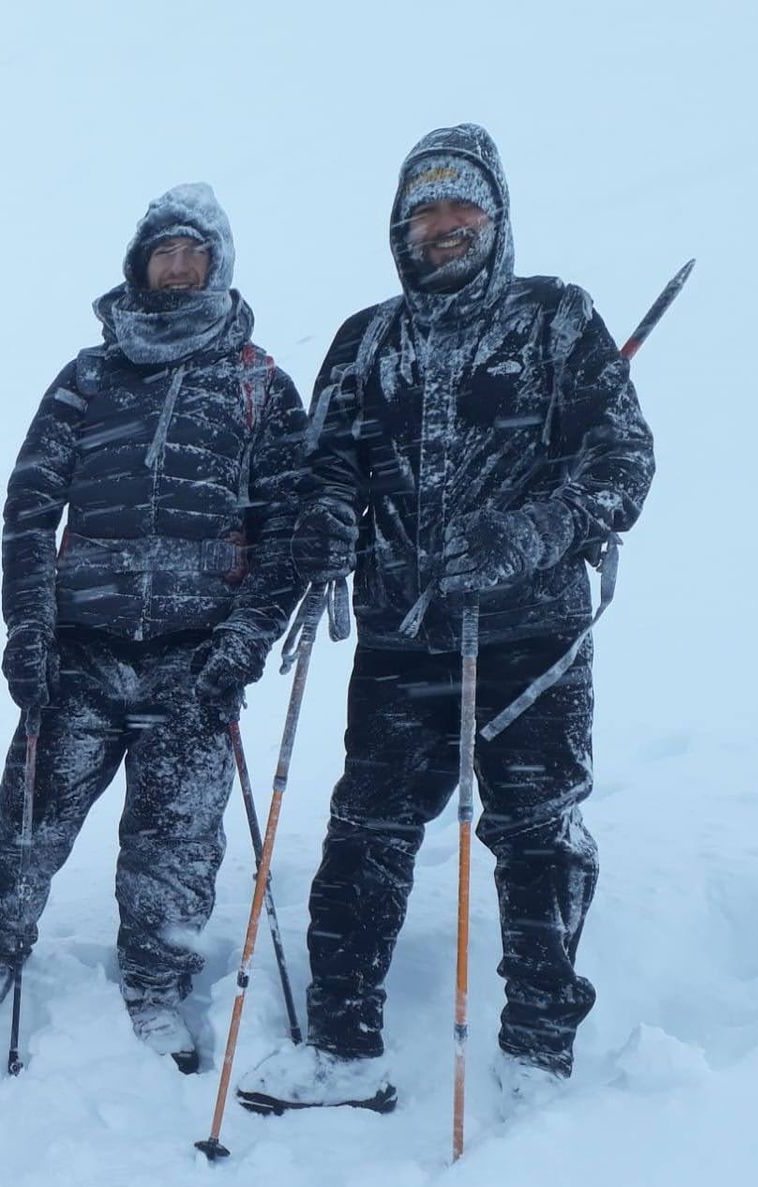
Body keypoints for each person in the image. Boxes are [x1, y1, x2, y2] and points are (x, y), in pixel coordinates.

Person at [235, 125, 655, 1117]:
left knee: (539, 838)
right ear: (401, 225)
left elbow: (623, 466)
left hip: (533, 638)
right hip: (398, 639)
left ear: (495, 214)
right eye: (426, 210)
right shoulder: (365, 339)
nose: (445, 224)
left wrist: (528, 534)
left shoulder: (558, 319)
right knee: (365, 836)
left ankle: (539, 1051)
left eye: (462, 205)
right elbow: (321, 470)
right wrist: (325, 523)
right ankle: (344, 1049)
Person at [0, 183, 307, 1070]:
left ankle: (158, 981)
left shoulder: (259, 384)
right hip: (81, 653)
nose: (177, 268)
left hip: (196, 659)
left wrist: (244, 642)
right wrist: (28, 629)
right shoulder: (89, 375)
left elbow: (290, 528)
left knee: (176, 839)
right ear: (138, 265)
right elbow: (30, 507)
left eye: (194, 253)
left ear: (219, 265)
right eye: (162, 253)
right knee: (25, 824)